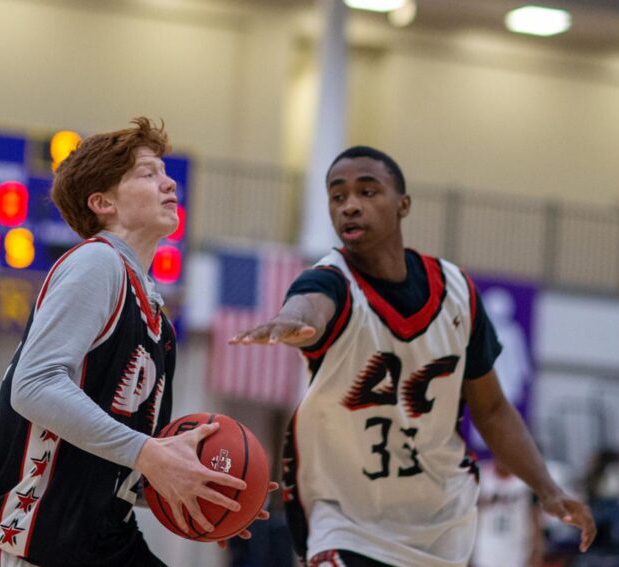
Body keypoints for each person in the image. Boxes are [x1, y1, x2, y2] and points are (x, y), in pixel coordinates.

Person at [230, 146, 596, 567]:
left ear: (403, 204)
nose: (350, 206)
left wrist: (548, 489)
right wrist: (288, 318)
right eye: (338, 196)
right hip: (345, 516)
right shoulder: (331, 281)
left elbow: (493, 410)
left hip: (438, 525)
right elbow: (311, 302)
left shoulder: (457, 292)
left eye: (367, 192)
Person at [0, 118, 269, 567]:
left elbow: (116, 462)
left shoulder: (157, 320)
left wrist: (203, 487)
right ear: (102, 202)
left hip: (101, 536)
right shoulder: (97, 262)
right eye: (148, 173)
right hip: (34, 539)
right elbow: (34, 386)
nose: (169, 184)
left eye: (166, 173)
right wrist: (149, 453)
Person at [472, 460, 543, 567]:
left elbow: (535, 517)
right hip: (485, 547)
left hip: (517, 549)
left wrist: (537, 549)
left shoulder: (526, 483)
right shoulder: (481, 477)